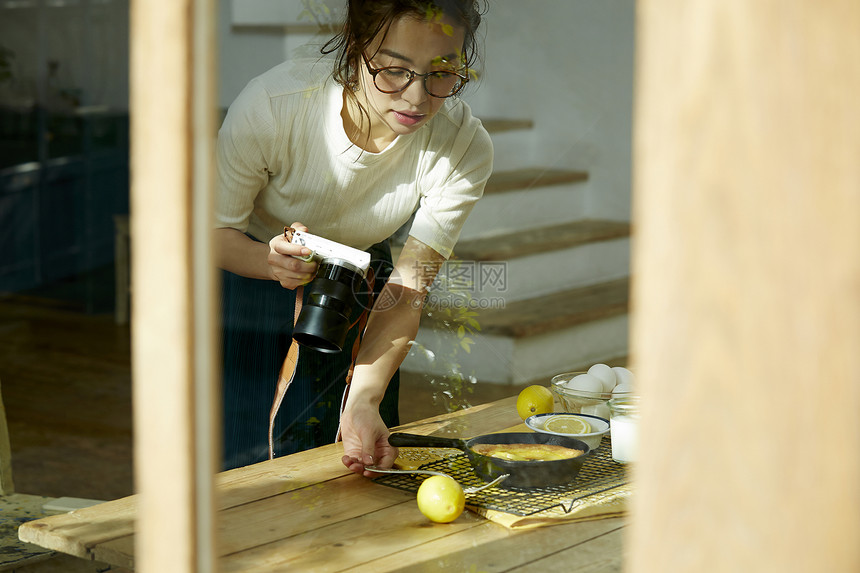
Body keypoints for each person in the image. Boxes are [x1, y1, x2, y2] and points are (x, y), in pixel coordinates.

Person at [215, 0, 492, 475]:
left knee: (352, 451)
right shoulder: (274, 107)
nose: (416, 98)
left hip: (364, 280)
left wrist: (366, 398)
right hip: (252, 268)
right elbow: (213, 234)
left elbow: (408, 290)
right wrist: (269, 263)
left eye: (442, 73)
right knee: (243, 463)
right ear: (356, 49)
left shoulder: (462, 146)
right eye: (394, 70)